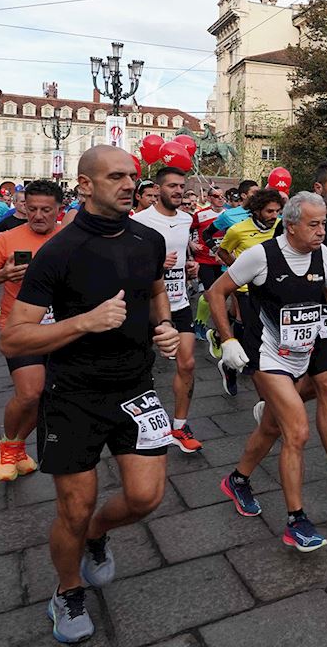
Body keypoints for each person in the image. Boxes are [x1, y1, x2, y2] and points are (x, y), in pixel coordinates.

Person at [0, 146, 180, 644]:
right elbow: (14, 337)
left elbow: (156, 290)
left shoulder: (147, 239)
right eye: (116, 177)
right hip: (73, 394)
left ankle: (97, 535)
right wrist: (84, 321)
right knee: (73, 511)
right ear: (84, 185)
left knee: (146, 498)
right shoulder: (59, 251)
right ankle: (67, 589)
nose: (129, 185)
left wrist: (163, 327)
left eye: (133, 177)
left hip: (136, 388)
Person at [210, 191, 327, 552]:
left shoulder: (321, 253)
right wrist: (228, 340)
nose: (322, 231)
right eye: (313, 224)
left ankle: (237, 479)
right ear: (290, 226)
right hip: (266, 354)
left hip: (301, 353)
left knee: (271, 427)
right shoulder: (262, 255)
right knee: (297, 432)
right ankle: (296, 521)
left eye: (323, 223)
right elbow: (216, 291)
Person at [238, 163, 327, 501]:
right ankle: (250, 477)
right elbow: (274, 273)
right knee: (288, 421)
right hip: (285, 330)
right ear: (319, 187)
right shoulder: (288, 232)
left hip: (326, 316)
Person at [0, 179, 64, 481]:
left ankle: (17, 445)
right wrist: (2, 274)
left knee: (47, 397)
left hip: (62, 331)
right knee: (29, 393)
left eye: (45, 210)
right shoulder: (7, 238)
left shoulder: (68, 238)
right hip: (20, 329)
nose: (37, 215)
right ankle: (8, 445)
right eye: (31, 208)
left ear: (58, 210)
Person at [130, 166, 203, 453]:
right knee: (140, 368)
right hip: (146, 304)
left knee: (187, 364)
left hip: (180, 301)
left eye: (181, 186)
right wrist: (158, 267)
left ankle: (179, 425)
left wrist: (189, 265)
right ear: (158, 189)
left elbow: (182, 253)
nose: (177, 191)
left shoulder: (186, 219)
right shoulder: (139, 221)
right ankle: (141, 423)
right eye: (171, 186)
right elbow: (129, 266)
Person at [211, 189, 285, 396]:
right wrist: (238, 272)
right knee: (254, 336)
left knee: (269, 337)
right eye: (269, 211)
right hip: (246, 290)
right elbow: (222, 251)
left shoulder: (281, 228)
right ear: (257, 210)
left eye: (278, 211)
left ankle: (241, 365)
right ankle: (244, 376)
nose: (274, 216)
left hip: (273, 289)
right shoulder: (238, 230)